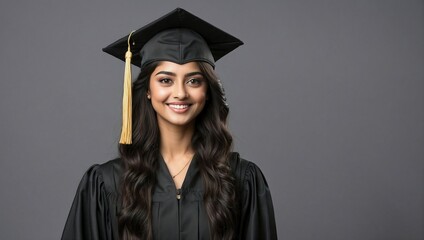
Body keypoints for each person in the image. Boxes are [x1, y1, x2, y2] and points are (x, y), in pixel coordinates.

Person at [61, 8, 277, 240]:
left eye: (194, 81)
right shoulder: (107, 183)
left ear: (207, 91)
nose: (180, 93)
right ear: (147, 91)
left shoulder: (241, 179)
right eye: (165, 80)